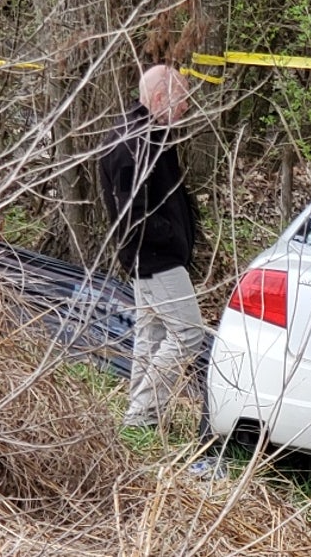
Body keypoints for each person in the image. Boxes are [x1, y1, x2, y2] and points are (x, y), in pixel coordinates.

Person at [99, 64, 204, 429]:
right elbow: (133, 216)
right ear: (160, 98)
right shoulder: (134, 144)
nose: (187, 107)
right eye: (183, 98)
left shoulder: (151, 135)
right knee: (189, 334)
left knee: (151, 335)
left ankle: (137, 419)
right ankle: (142, 415)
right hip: (155, 258)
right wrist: (171, 236)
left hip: (154, 256)